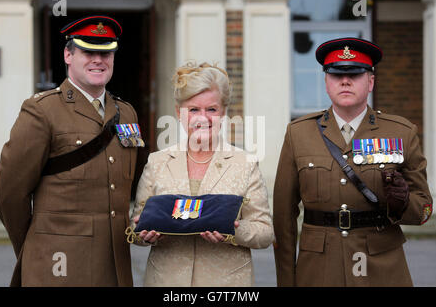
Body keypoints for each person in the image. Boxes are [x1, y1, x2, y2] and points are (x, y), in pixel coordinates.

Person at [273, 37, 433, 287]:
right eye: (336, 75)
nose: (345, 81)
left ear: (370, 81)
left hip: (381, 269)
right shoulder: (299, 133)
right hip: (318, 269)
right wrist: (286, 280)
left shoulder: (401, 132)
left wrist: (402, 205)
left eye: (355, 74)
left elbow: (424, 210)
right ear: (326, 82)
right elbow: (283, 219)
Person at [0, 16, 142, 286]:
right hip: (59, 267)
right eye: (88, 51)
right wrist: (35, 244)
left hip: (115, 266)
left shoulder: (127, 113)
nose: (99, 59)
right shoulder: (42, 110)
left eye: (106, 52)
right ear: (68, 55)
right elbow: (10, 193)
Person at [130, 62, 274, 287]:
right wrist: (145, 234)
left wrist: (232, 231)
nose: (203, 119)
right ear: (179, 113)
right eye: (194, 109)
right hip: (167, 283)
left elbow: (265, 232)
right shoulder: (157, 162)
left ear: (224, 112)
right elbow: (136, 227)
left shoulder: (245, 164)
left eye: (212, 109)